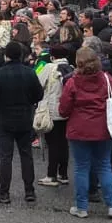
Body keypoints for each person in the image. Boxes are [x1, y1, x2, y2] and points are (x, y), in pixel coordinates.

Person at [59, 46, 112, 218]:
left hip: (79, 129)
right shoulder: (107, 79)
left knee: (81, 167)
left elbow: (64, 109)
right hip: (103, 127)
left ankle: (81, 207)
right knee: (104, 165)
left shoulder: (72, 82)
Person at [0, 41, 43, 204]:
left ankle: (4, 192)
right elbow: (39, 94)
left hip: (4, 119)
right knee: (26, 155)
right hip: (25, 118)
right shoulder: (29, 72)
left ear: (6, 55)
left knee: (5, 156)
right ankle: (29, 190)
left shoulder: (0, 74)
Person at [35, 45, 73, 187]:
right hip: (66, 110)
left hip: (51, 110)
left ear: (52, 56)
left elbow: (38, 83)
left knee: (52, 143)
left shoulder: (49, 68)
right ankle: (63, 174)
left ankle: (51, 175)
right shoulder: (71, 68)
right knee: (64, 142)